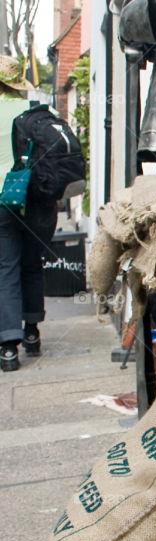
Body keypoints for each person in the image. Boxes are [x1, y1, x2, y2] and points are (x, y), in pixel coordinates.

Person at [0, 55, 56, 373]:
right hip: (36, 199)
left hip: (2, 200)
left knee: (6, 269)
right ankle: (32, 333)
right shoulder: (36, 113)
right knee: (32, 265)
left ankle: (9, 346)